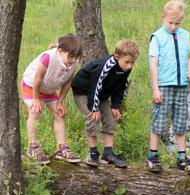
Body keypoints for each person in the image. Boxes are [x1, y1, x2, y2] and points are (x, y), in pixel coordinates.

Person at [147, 0, 190, 173]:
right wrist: (155, 88)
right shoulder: (157, 37)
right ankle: (152, 156)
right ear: (163, 17)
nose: (174, 26)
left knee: (180, 122)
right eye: (171, 22)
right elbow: (153, 63)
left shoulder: (186, 35)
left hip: (182, 85)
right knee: (159, 120)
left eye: (177, 23)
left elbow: (187, 56)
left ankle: (181, 157)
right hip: (164, 85)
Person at [71, 39, 140, 168]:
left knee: (110, 118)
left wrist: (115, 106)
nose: (130, 66)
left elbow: (121, 86)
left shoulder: (126, 68)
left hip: (101, 94)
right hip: (83, 91)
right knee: (92, 117)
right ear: (117, 56)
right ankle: (92, 153)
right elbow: (94, 86)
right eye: (127, 62)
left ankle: (108, 153)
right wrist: (94, 107)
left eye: (132, 62)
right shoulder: (105, 66)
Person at [22, 33, 83, 164]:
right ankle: (32, 147)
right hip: (31, 86)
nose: (73, 60)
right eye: (71, 56)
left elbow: (67, 83)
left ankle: (62, 148)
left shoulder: (73, 63)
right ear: (60, 51)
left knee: (59, 113)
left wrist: (60, 102)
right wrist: (36, 98)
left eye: (76, 57)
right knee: (35, 110)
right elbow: (37, 78)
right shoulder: (48, 57)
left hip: (49, 90)